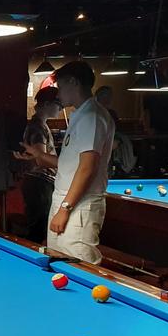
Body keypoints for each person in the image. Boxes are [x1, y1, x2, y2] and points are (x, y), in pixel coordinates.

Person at [15, 61, 114, 263]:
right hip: (68, 202)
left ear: (73, 82)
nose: (58, 94)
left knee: (78, 266)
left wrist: (65, 209)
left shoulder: (92, 116)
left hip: (78, 206)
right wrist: (39, 155)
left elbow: (87, 168)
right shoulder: (82, 115)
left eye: (60, 87)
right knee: (58, 263)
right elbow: (69, 164)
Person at [19, 86, 62, 243]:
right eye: (59, 105)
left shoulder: (38, 124)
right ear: (47, 104)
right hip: (39, 183)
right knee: (38, 230)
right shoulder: (37, 127)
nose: (61, 108)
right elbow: (41, 159)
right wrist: (64, 163)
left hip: (37, 182)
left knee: (37, 228)